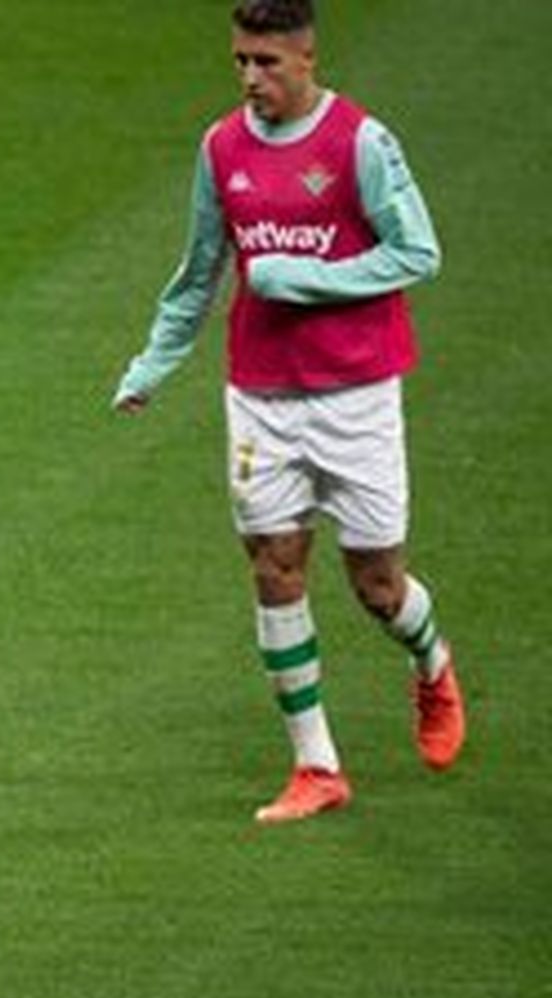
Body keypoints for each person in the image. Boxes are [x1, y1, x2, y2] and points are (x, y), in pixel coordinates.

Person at [112, 0, 466, 823]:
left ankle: (432, 662)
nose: (250, 77)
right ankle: (316, 766)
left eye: (266, 62)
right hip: (261, 396)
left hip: (356, 395)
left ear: (307, 59)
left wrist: (303, 278)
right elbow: (201, 269)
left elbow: (418, 251)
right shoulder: (220, 147)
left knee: (377, 586)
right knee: (275, 564)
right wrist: (153, 363)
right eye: (241, 60)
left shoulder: (360, 142)